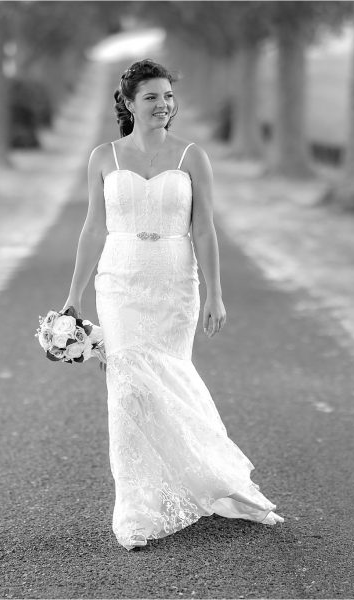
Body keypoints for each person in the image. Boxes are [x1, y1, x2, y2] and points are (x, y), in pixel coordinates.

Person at [63, 58, 283, 551]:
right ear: (128, 103)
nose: (163, 105)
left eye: (167, 97)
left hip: (174, 282)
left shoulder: (191, 157)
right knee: (127, 390)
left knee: (171, 379)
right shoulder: (104, 157)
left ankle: (211, 478)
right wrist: (73, 296)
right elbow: (93, 228)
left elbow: (204, 228)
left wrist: (216, 292)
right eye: (151, 97)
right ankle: (138, 506)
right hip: (118, 280)